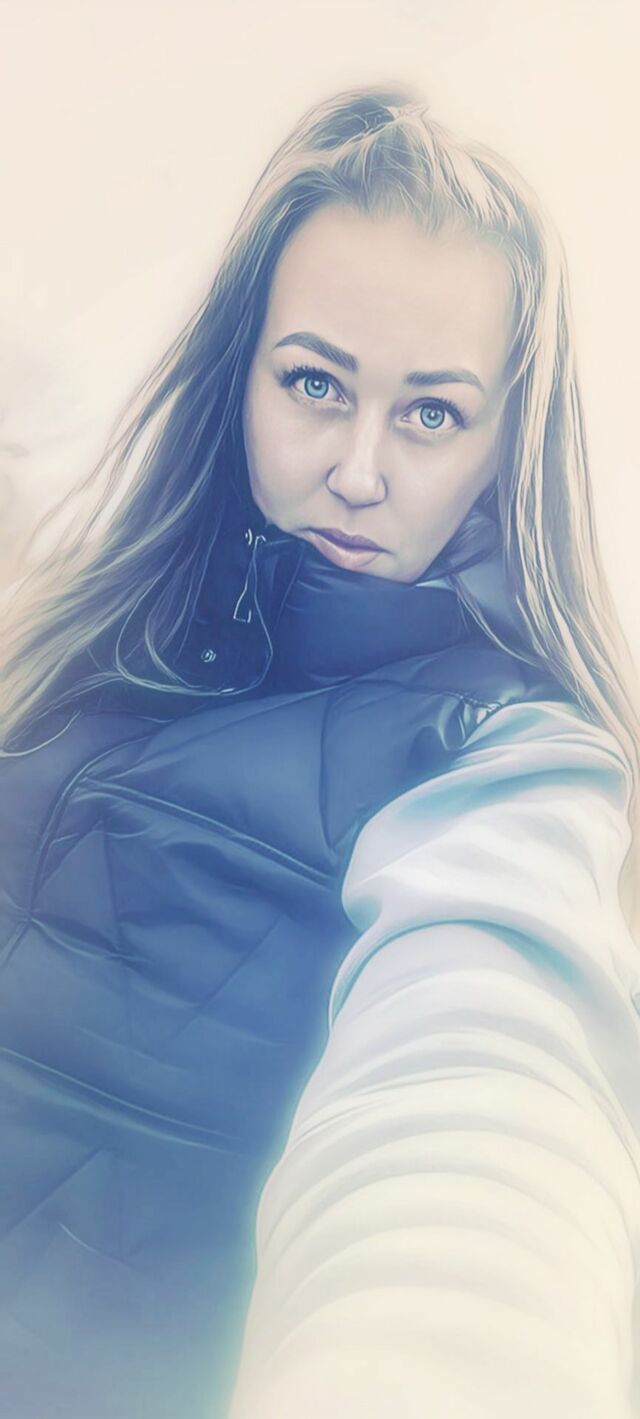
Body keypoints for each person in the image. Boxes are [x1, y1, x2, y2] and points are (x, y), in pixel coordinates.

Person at [1, 82, 639, 1419]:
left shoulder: (506, 758)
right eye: (315, 384)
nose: (357, 469)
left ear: (502, 447)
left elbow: (480, 1101)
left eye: (429, 414)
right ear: (241, 374)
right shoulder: (97, 622)